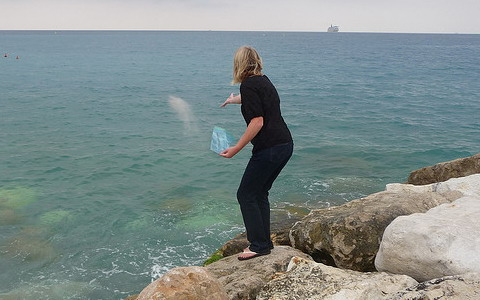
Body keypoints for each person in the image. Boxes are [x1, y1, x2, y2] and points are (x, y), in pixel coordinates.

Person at [220, 46, 293, 260]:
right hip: (284, 145)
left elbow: (257, 122)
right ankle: (263, 243)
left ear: (239, 64)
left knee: (246, 194)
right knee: (259, 193)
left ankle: (259, 245)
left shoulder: (249, 85)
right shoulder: (262, 80)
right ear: (256, 61)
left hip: (269, 148)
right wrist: (235, 100)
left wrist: (236, 148)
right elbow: (259, 99)